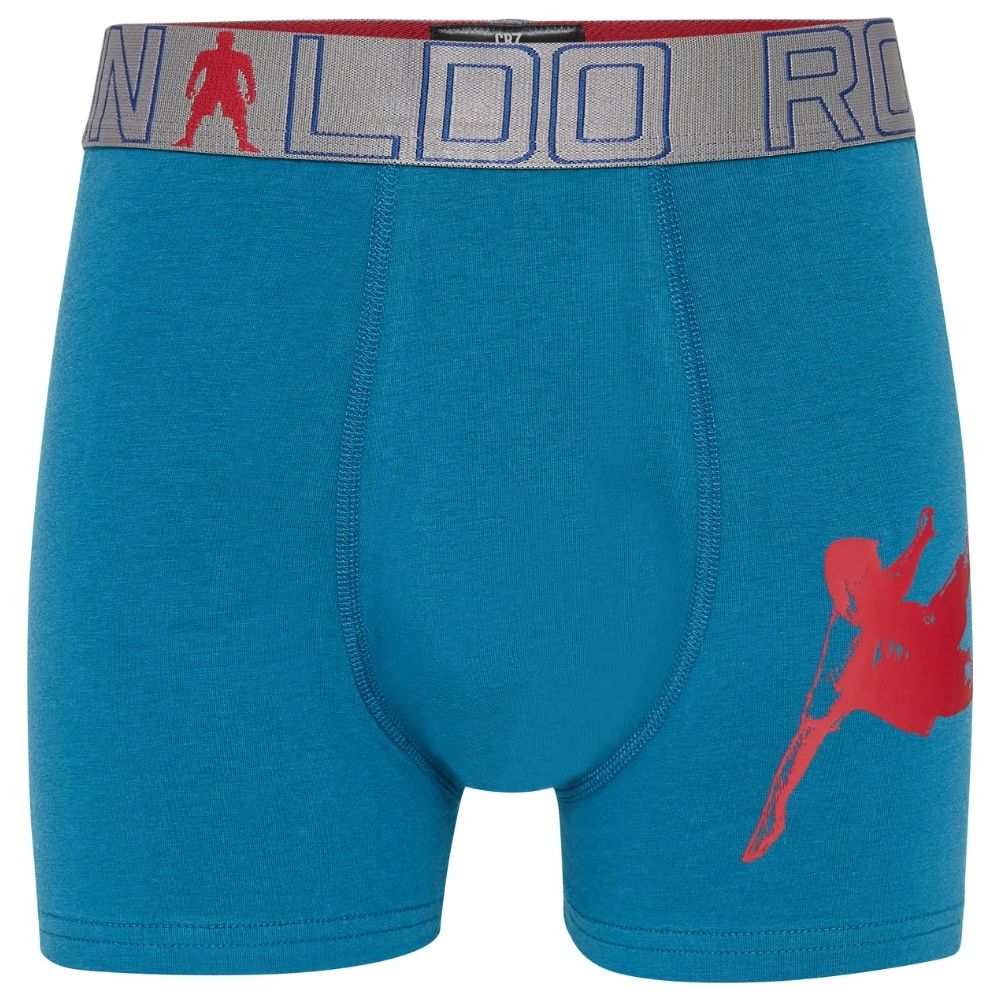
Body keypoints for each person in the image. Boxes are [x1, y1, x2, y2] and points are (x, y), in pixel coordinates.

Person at [174, 31, 259, 152]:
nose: (226, 43)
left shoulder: (239, 57)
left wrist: (252, 91)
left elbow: (249, 76)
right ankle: (187, 139)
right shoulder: (207, 55)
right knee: (197, 114)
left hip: (228, 90)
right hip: (212, 88)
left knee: (238, 116)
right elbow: (195, 72)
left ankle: (243, 143)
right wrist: (190, 87)